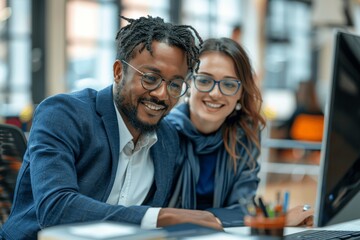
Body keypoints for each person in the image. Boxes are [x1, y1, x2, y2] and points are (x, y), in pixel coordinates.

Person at [1, 16, 222, 240]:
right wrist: (159, 217)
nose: (161, 94)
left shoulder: (167, 139)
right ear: (118, 72)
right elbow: (56, 209)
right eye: (151, 78)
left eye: (175, 84)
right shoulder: (63, 114)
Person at [165, 37, 314, 227]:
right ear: (189, 83)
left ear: (240, 94)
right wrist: (274, 220)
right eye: (204, 80)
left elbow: (244, 208)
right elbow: (158, 211)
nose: (215, 93)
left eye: (228, 84)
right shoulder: (164, 133)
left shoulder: (244, 135)